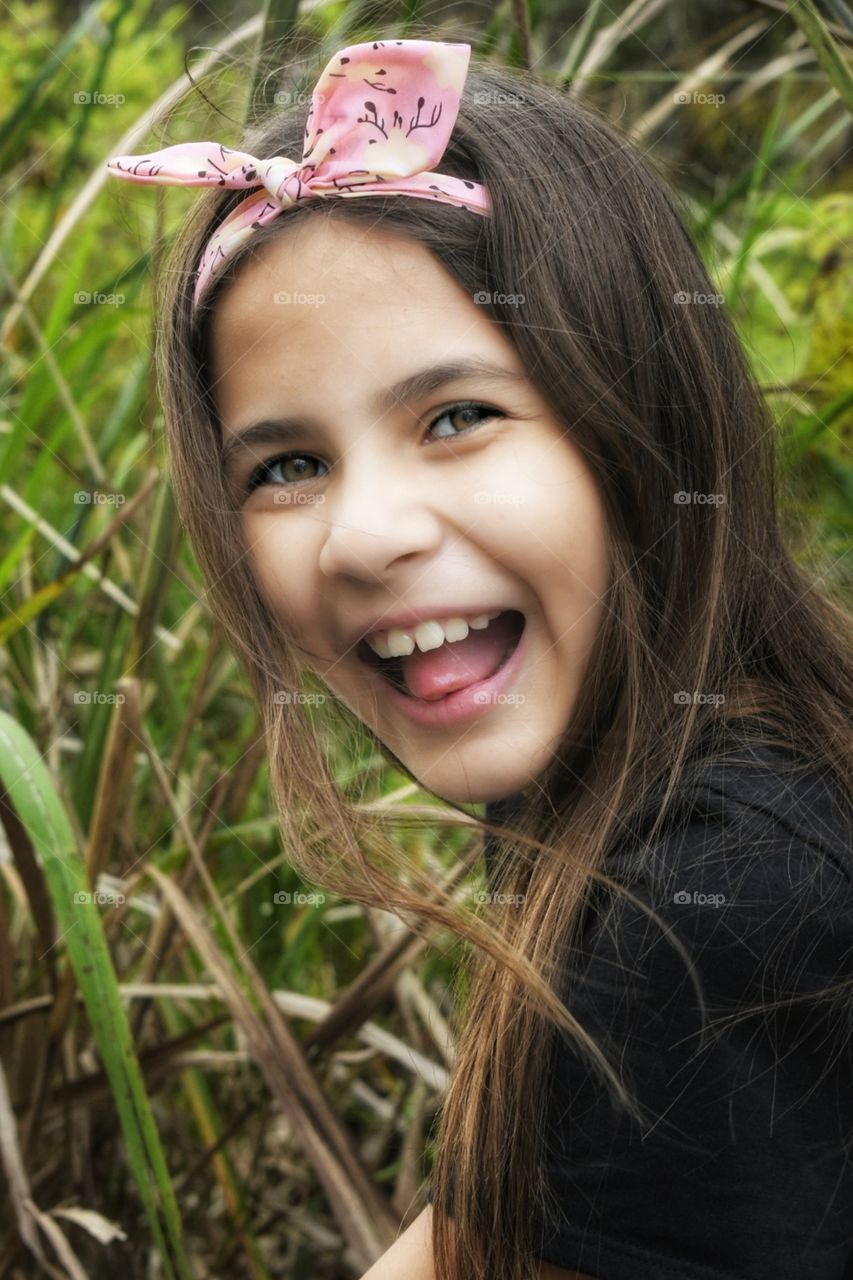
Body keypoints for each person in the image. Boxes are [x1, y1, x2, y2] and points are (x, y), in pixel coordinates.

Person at [105, 34, 853, 1280]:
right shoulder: (639, 778)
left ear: (646, 421)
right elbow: (475, 1233)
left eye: (457, 416)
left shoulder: (709, 907)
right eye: (286, 465)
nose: (364, 535)